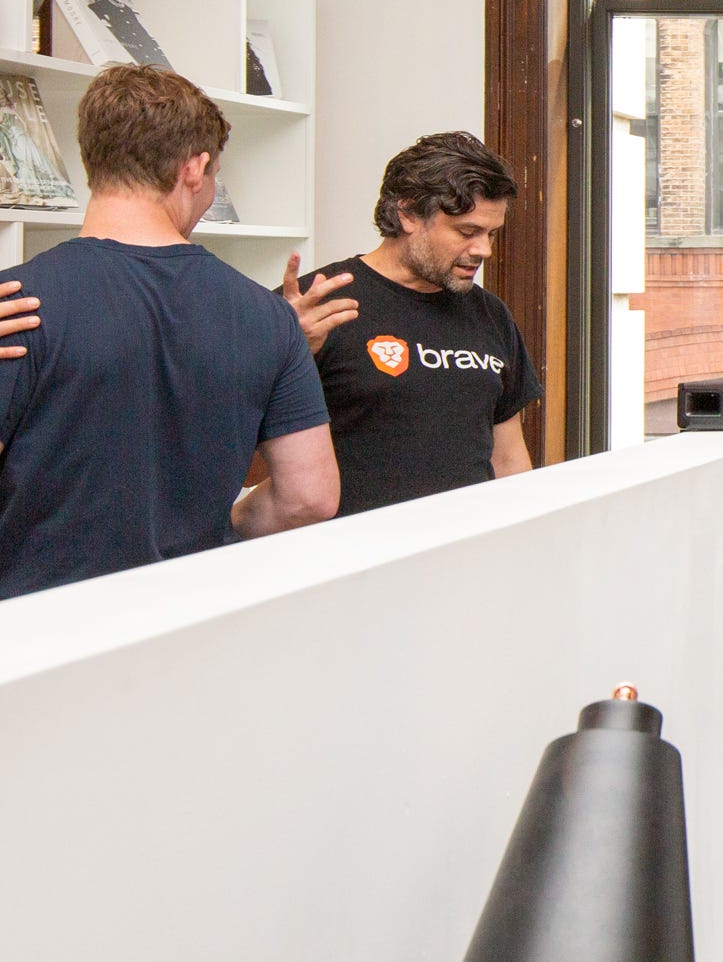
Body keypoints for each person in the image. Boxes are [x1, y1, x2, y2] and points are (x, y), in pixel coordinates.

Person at [0, 65, 337, 597]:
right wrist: (220, 524)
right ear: (196, 168)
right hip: (189, 618)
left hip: (39, 635)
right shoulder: (268, 315)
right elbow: (310, 498)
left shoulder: (16, 305)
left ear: (92, 157)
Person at [276, 132, 540, 517]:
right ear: (409, 214)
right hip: (351, 561)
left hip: (468, 555)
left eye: (491, 234)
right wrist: (284, 352)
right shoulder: (313, 307)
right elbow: (235, 452)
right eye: (467, 232)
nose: (484, 250)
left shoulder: (491, 315)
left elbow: (509, 457)